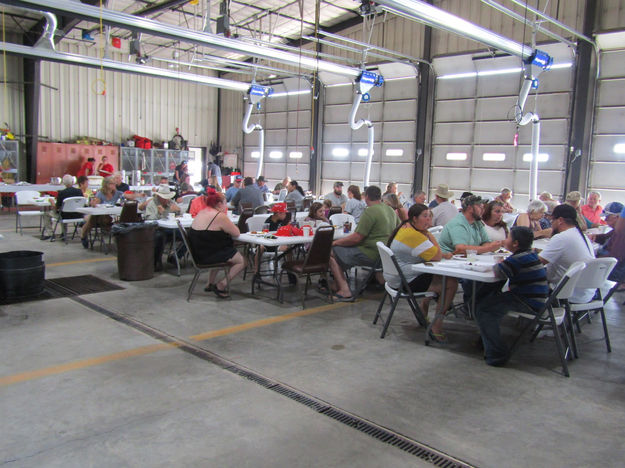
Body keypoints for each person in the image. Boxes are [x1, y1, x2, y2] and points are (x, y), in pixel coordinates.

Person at [475, 226, 549, 366]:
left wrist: (499, 263)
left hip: (527, 301)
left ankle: (497, 354)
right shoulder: (530, 254)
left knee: (484, 309)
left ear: (515, 243)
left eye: (508, 237)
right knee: (487, 300)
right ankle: (486, 341)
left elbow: (499, 272)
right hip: (536, 299)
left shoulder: (518, 259)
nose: (505, 239)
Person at [385, 203, 457, 343]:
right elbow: (437, 255)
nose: (429, 221)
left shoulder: (405, 228)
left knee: (440, 277)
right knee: (451, 283)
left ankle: (423, 308)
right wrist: (429, 235)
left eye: (430, 217)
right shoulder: (413, 235)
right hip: (404, 282)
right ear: (414, 218)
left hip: (396, 278)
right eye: (425, 217)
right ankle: (437, 325)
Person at [329, 185, 399, 301]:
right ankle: (337, 283)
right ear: (380, 196)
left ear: (366, 197)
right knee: (341, 251)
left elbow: (356, 238)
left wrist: (336, 243)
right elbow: (398, 229)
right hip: (385, 255)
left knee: (330, 252)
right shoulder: (390, 210)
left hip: (370, 253)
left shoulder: (370, 212)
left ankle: (344, 289)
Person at [188, 189, 245, 298]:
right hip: (209, 255)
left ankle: (209, 283)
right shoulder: (219, 216)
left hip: (199, 253)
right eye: (225, 203)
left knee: (219, 249)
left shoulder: (202, 211)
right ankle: (221, 285)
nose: (226, 205)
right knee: (242, 261)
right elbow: (236, 232)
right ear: (219, 204)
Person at [538, 204, 596, 303]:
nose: (551, 224)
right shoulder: (582, 236)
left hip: (566, 293)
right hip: (585, 292)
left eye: (552, 220)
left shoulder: (562, 237)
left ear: (560, 220)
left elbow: (537, 263)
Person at [438, 195, 503, 255]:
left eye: (483, 207)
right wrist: (489, 248)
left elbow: (486, 242)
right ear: (470, 208)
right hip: (449, 261)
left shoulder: (477, 222)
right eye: (480, 207)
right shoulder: (458, 223)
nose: (483, 210)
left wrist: (487, 247)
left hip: (466, 259)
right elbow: (460, 249)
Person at [143, 185, 182, 271]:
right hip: (158, 229)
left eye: (167, 198)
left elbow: (180, 212)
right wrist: (160, 214)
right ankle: (156, 261)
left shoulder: (170, 202)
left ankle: (176, 256)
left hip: (171, 228)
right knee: (160, 236)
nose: (166, 200)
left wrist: (178, 210)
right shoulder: (152, 204)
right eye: (164, 198)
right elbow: (149, 219)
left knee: (187, 235)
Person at [80, 177, 123, 248]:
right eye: (112, 183)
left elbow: (125, 195)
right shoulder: (100, 193)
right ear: (106, 185)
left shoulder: (117, 193)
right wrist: (94, 203)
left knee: (94, 219)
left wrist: (137, 195)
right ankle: (84, 233)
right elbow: (96, 202)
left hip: (110, 216)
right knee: (95, 217)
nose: (114, 185)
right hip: (101, 216)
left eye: (114, 183)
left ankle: (84, 233)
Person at [43, 174, 83, 238]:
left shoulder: (62, 193)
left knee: (47, 214)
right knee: (63, 211)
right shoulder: (79, 191)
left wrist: (52, 202)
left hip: (64, 216)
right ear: (73, 182)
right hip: (78, 215)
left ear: (63, 183)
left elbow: (56, 208)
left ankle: (49, 233)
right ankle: (63, 233)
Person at [595, 202, 625, 284]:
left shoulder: (621, 233)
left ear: (618, 217)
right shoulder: (617, 230)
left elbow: (615, 257)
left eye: (607, 217)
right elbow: (606, 237)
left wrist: (594, 258)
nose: (605, 220)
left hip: (616, 271)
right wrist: (594, 237)